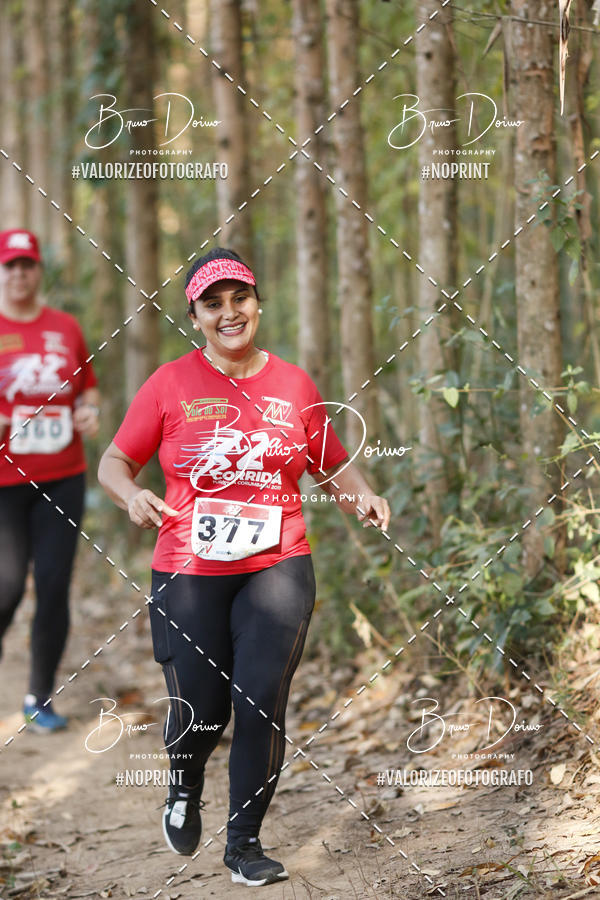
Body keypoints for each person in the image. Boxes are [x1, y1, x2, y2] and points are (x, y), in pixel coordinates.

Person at [98, 247, 390, 887]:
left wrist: (363, 495)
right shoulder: (170, 384)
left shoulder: (294, 385)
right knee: (201, 708)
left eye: (240, 298)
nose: (229, 312)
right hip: (188, 569)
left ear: (257, 304)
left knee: (259, 701)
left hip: (278, 563)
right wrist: (133, 495)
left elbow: (331, 464)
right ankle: (184, 782)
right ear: (195, 317)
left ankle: (244, 843)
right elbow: (113, 463)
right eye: (213, 304)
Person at [0, 229, 100, 731]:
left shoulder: (65, 327)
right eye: (10, 266)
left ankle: (39, 697)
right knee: (6, 587)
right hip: (4, 483)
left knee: (54, 585)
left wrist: (89, 411)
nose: (19, 274)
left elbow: (88, 389)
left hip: (63, 477)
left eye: (27, 265)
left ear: (39, 270)